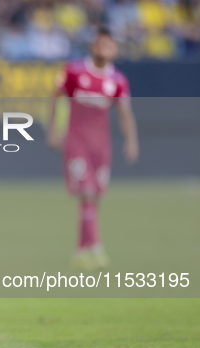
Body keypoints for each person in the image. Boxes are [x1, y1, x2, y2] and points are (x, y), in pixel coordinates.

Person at [47, 26, 139, 270]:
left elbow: (124, 113)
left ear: (114, 50)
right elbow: (55, 98)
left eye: (109, 45)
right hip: (77, 144)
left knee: (93, 198)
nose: (104, 49)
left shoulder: (117, 80)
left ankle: (79, 251)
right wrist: (53, 131)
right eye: (100, 45)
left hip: (101, 147)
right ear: (93, 47)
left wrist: (131, 141)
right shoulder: (74, 72)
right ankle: (97, 248)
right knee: (86, 192)